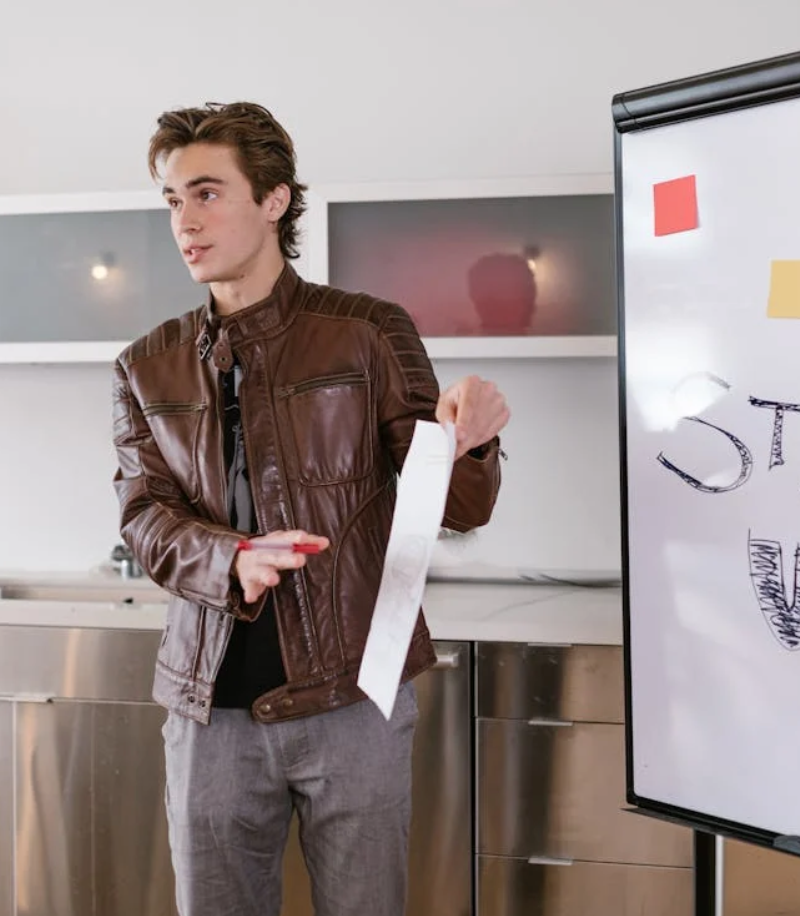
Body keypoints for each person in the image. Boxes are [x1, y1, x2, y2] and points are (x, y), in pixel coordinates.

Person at [110, 100, 509, 916]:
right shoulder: (142, 365)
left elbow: (455, 508)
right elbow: (143, 517)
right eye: (173, 200)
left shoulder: (368, 332)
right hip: (206, 707)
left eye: (208, 193)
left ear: (275, 200)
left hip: (354, 694)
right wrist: (232, 558)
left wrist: (471, 440)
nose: (186, 220)